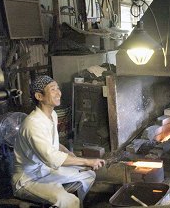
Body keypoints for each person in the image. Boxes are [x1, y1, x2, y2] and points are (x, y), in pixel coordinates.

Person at [11, 75, 106, 208]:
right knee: (69, 201)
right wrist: (87, 161)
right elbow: (51, 157)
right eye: (53, 89)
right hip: (28, 179)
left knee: (88, 175)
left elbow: (53, 143)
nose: (58, 93)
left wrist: (68, 152)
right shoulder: (33, 125)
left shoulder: (52, 115)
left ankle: (80, 204)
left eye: (58, 88)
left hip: (46, 171)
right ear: (39, 96)